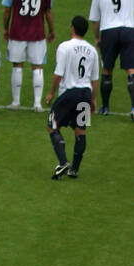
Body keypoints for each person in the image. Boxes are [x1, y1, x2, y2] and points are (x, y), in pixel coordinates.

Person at [44, 17, 100, 180]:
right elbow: (95, 79)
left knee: (51, 124)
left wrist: (51, 93)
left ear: (72, 28)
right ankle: (74, 169)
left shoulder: (65, 47)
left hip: (70, 93)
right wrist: (93, 100)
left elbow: (58, 73)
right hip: (85, 94)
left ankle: (63, 162)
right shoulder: (92, 51)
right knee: (80, 131)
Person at [0, 0, 55, 112]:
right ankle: (37, 104)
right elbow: (48, 12)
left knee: (17, 65)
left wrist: (5, 28)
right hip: (37, 32)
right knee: (37, 66)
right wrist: (51, 30)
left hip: (17, 31)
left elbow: (7, 10)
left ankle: (16, 102)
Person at [87, 0, 134, 118]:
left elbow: (94, 19)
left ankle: (105, 108)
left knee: (107, 69)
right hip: (128, 29)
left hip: (108, 30)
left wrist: (97, 38)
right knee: (131, 69)